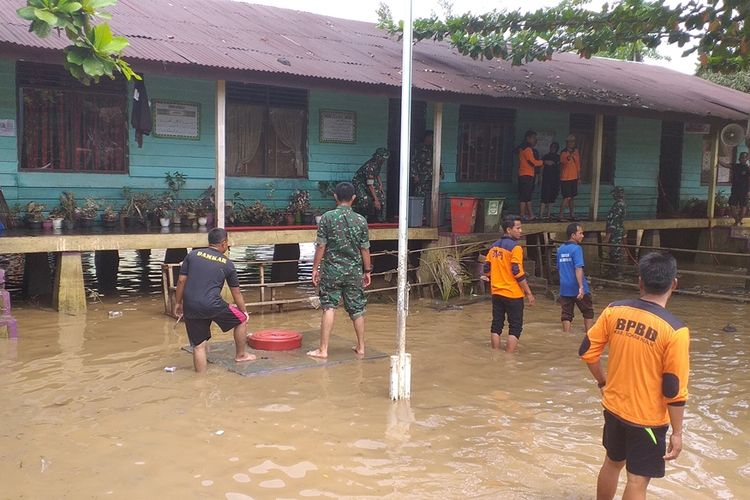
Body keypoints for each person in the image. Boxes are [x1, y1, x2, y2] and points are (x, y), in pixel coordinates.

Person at [579, 252, 689, 500]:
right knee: (637, 480)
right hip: (647, 419)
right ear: (673, 284)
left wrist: (602, 381)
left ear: (640, 281)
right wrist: (678, 432)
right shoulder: (675, 330)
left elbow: (587, 352)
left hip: (614, 407)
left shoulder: (614, 310)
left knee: (612, 463)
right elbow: (673, 388)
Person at [174, 228, 255, 373]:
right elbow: (236, 293)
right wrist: (244, 312)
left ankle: (201, 383)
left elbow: (181, 281)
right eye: (227, 243)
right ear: (223, 243)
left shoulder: (192, 255)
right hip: (213, 304)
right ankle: (241, 355)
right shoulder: (227, 263)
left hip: (191, 305)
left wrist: (178, 303)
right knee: (241, 320)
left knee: (198, 346)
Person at [307, 182, 372, 359]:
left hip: (332, 271)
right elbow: (365, 249)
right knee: (357, 309)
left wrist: (315, 268)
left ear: (335, 197)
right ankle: (361, 347)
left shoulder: (327, 218)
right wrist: (367, 271)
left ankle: (323, 349)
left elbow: (321, 246)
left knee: (329, 307)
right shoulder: (361, 220)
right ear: (353, 198)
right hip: (353, 272)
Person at [483, 215, 535, 353]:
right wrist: (529, 293)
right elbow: (517, 272)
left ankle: (495, 353)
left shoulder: (493, 247)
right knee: (515, 326)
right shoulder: (516, 248)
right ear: (508, 230)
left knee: (497, 325)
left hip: (497, 293)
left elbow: (486, 269)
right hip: (513, 294)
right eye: (518, 228)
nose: (520, 231)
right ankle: (508, 357)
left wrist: (494, 277)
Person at [557, 223, 594, 333]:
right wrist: (581, 287)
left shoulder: (560, 249)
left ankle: (566, 335)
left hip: (565, 287)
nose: (582, 236)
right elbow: (578, 268)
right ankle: (589, 335)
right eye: (580, 233)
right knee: (588, 311)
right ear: (573, 235)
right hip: (577, 286)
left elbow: (559, 268)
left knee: (566, 314)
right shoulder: (577, 249)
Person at [353, 148, 389, 222]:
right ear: (378, 157)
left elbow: (377, 174)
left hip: (369, 180)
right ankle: (361, 219)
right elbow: (370, 185)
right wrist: (376, 200)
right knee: (365, 200)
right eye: (383, 158)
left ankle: (378, 218)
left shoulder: (379, 163)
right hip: (359, 182)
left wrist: (380, 185)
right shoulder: (370, 166)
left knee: (381, 196)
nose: (384, 160)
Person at [517, 130, 543, 220]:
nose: (535, 140)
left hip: (525, 174)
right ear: (528, 138)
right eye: (533, 138)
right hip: (526, 174)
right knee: (524, 196)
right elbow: (532, 162)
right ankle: (522, 215)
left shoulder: (522, 148)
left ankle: (530, 215)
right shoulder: (527, 149)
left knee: (527, 195)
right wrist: (543, 162)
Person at [410, 130, 444, 198]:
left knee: (432, 196)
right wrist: (415, 175)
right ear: (427, 138)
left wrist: (441, 173)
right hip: (421, 178)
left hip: (432, 178)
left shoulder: (433, 149)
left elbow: (438, 162)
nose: (433, 139)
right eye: (431, 137)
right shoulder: (419, 149)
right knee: (420, 196)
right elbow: (413, 162)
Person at [604, 187, 627, 278]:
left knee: (615, 252)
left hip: (615, 233)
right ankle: (615, 272)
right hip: (618, 231)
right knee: (615, 251)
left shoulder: (618, 205)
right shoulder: (621, 204)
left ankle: (615, 273)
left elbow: (614, 221)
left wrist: (607, 236)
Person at [559, 134, 581, 221]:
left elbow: (578, 165)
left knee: (572, 197)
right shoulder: (564, 152)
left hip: (574, 177)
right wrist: (569, 156)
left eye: (573, 141)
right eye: (570, 141)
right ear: (567, 143)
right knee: (567, 197)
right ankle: (561, 215)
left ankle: (572, 215)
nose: (572, 143)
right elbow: (563, 162)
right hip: (565, 178)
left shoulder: (576, 152)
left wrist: (579, 177)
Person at [540, 141, 561, 220]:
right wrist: (540, 177)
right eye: (552, 147)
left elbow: (560, 168)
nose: (553, 149)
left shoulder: (558, 157)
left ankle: (548, 214)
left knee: (552, 196)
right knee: (544, 196)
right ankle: (541, 215)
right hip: (546, 178)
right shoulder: (546, 156)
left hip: (555, 179)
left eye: (555, 147)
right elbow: (541, 167)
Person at [728, 151, 749, 225]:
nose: (743, 158)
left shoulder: (748, 169)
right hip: (735, 189)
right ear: (739, 158)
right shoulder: (736, 166)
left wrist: (749, 191)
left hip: (744, 190)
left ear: (747, 158)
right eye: (741, 157)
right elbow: (726, 165)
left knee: (743, 205)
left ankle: (739, 220)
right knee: (732, 204)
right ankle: (737, 220)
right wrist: (717, 160)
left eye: (744, 157)